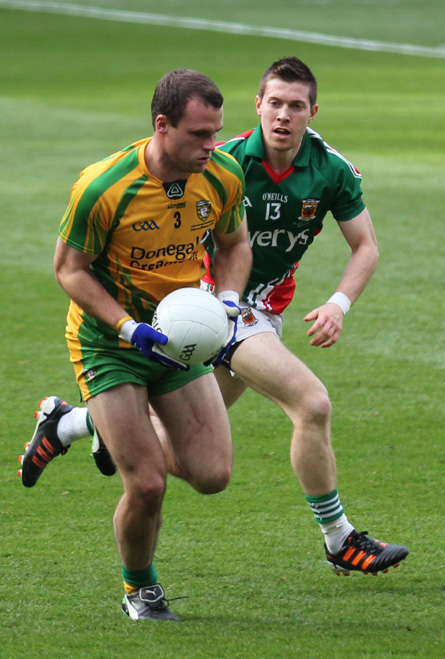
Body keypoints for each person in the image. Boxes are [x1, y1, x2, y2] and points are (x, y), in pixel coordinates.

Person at [20, 57, 408, 581]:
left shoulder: (328, 169)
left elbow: (363, 246)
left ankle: (72, 423)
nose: (284, 116)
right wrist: (210, 305)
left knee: (204, 463)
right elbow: (82, 262)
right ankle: (339, 540)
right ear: (259, 104)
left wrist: (337, 304)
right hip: (202, 310)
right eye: (275, 103)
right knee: (311, 403)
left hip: (257, 310)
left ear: (313, 112)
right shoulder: (216, 161)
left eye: (296, 106)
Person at [20, 68, 252, 622]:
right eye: (198, 134)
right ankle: (140, 590)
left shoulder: (222, 175)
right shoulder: (102, 187)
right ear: (162, 125)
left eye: (216, 132)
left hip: (179, 340)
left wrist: (225, 298)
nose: (210, 146)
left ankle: (76, 424)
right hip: (109, 341)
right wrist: (127, 327)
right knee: (146, 483)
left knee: (213, 475)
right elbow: (69, 270)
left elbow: (235, 243)